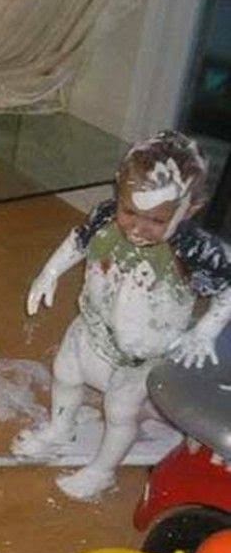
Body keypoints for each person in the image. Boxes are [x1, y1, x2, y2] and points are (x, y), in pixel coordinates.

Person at [13, 131, 231, 500]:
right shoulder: (104, 216)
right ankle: (61, 429)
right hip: (92, 327)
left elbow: (228, 288)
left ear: (191, 209)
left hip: (143, 354)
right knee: (65, 373)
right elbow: (78, 240)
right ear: (119, 190)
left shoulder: (194, 249)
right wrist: (49, 273)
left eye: (156, 220)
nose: (136, 227)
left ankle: (102, 470)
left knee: (119, 411)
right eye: (129, 211)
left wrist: (205, 331)